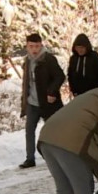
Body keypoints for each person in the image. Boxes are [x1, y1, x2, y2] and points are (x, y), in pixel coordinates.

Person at [19, 33, 65, 169]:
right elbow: (27, 82)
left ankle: (59, 156)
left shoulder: (48, 59)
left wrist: (51, 92)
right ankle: (30, 158)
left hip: (47, 103)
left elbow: (60, 76)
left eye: (37, 46)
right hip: (32, 102)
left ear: (41, 45)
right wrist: (24, 99)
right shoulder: (27, 61)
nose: (34, 49)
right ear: (27, 46)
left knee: (52, 130)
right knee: (29, 130)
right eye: (31, 46)